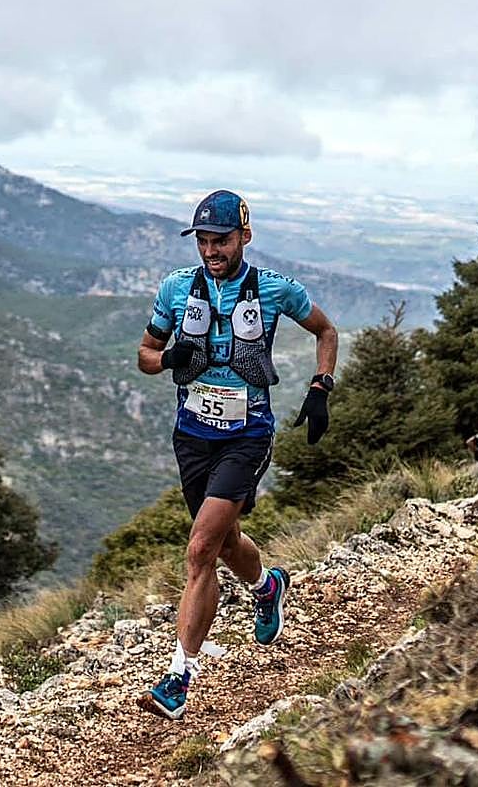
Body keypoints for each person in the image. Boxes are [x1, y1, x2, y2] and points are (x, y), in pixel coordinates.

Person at [135, 189, 338, 720]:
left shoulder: (275, 291)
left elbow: (326, 330)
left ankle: (179, 674)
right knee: (224, 544)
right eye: (203, 240)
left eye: (220, 240)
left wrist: (321, 387)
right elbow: (145, 355)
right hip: (192, 435)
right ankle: (267, 585)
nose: (210, 250)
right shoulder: (176, 289)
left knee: (200, 548)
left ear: (244, 237)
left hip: (247, 434)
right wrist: (167, 358)